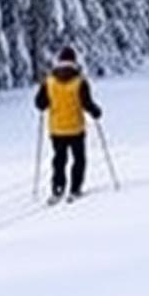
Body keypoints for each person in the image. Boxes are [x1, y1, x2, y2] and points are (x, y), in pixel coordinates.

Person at [34, 46, 103, 204]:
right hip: (76, 128)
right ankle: (75, 188)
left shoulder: (49, 82)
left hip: (56, 129)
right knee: (79, 159)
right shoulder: (80, 81)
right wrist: (96, 112)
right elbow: (86, 103)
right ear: (74, 61)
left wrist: (44, 103)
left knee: (59, 160)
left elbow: (39, 103)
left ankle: (58, 188)